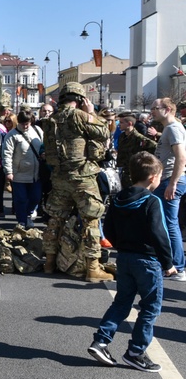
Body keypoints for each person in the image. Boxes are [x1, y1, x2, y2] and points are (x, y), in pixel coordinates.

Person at [87, 152, 176, 372]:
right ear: (153, 177)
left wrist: (120, 245)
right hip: (148, 260)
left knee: (122, 302)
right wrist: (168, 263)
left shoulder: (119, 198)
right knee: (150, 307)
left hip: (125, 258)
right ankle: (136, 352)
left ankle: (101, 341)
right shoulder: (152, 201)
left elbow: (108, 227)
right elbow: (160, 234)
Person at [42, 82, 113, 282]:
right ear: (81, 99)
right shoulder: (80, 115)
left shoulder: (51, 120)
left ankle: (49, 261)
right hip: (82, 178)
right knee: (91, 219)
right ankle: (92, 268)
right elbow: (104, 132)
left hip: (59, 178)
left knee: (56, 219)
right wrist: (92, 113)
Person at [149, 97, 186, 280]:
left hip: (170, 181)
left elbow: (181, 158)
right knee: (165, 223)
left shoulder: (173, 129)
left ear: (168, 109)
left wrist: (172, 183)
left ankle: (178, 267)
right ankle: (171, 264)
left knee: (170, 224)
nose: (152, 111)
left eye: (155, 108)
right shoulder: (170, 129)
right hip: (166, 180)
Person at [2, 111, 44, 228]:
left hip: (36, 173)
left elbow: (43, 146)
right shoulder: (12, 135)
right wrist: (8, 171)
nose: (25, 126)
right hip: (19, 174)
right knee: (20, 199)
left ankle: (29, 214)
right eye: (23, 124)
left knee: (36, 197)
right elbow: (6, 154)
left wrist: (43, 153)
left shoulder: (37, 131)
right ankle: (22, 221)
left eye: (27, 123)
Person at [116, 112, 157, 190]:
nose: (119, 124)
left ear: (129, 123)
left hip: (133, 174)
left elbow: (155, 147)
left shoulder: (138, 138)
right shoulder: (122, 136)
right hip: (123, 171)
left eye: (121, 122)